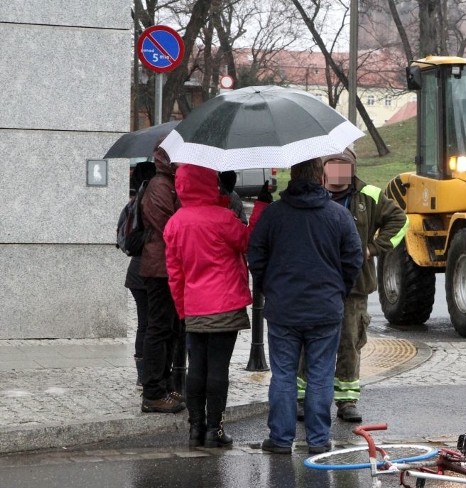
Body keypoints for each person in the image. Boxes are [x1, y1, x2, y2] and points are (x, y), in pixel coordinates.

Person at [248, 157, 362, 455]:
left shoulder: (274, 215)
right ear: (321, 178)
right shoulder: (338, 215)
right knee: (321, 373)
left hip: (283, 307)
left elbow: (256, 256)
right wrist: (339, 289)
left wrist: (268, 287)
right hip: (325, 308)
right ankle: (318, 439)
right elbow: (354, 259)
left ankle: (281, 439)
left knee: (284, 373)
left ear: (292, 177)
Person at [296, 148, 408, 423]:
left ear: (352, 168)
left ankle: (346, 401)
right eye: (332, 164)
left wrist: (373, 248)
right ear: (323, 168)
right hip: (316, 284)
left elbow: (400, 221)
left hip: (354, 286)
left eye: (343, 165)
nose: (337, 170)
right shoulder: (311, 195)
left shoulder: (369, 195)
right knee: (307, 343)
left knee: (349, 342)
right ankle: (301, 398)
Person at [163, 164, 270, 447]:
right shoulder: (223, 218)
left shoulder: (175, 222)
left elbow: (175, 274)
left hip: (194, 306)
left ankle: (195, 428)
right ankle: (215, 430)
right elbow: (249, 241)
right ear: (210, 184)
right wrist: (259, 207)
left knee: (196, 367)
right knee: (218, 369)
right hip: (225, 304)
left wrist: (182, 309)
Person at [139, 146, 185, 413]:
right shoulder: (159, 185)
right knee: (158, 329)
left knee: (169, 329)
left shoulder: (170, 183)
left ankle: (164, 386)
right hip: (159, 268)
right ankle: (153, 392)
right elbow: (168, 226)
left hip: (168, 266)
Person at [119, 161, 157, 389]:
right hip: (149, 271)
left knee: (144, 323)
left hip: (135, 272)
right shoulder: (150, 204)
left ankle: (141, 374)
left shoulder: (132, 203)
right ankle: (149, 373)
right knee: (153, 324)